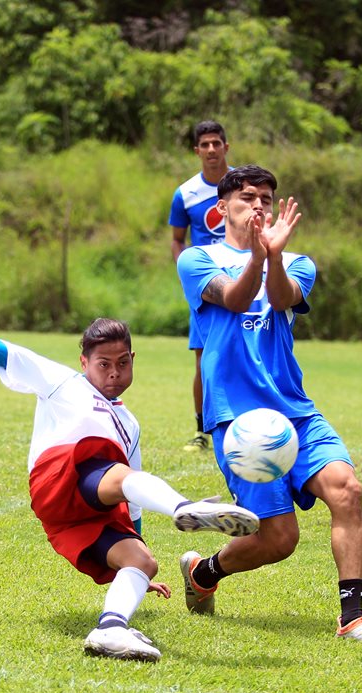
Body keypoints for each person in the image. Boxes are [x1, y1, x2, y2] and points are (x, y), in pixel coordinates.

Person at [0, 298, 260, 662]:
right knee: (116, 470)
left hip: (76, 515)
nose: (113, 373)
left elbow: (130, 502)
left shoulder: (130, 425)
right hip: (58, 477)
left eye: (122, 363)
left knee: (142, 560)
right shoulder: (63, 382)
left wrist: (134, 555)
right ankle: (185, 508)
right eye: (103, 364)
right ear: (84, 363)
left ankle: (111, 629)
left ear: (133, 361)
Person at [175, 165, 362, 648]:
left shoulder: (298, 261)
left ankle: (352, 619)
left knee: (347, 490)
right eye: (247, 198)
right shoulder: (197, 258)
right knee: (279, 540)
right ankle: (203, 571)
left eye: (267, 199)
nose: (259, 206)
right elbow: (235, 300)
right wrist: (258, 253)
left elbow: (279, 298)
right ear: (221, 209)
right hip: (238, 419)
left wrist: (272, 256)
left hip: (294, 409)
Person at [169, 120, 232, 452]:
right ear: (197, 151)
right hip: (207, 290)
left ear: (226, 147)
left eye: (216, 143)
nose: (211, 150)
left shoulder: (242, 185)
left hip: (244, 281)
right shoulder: (186, 194)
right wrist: (189, 277)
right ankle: (202, 431)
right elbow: (177, 241)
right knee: (204, 358)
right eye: (204, 145)